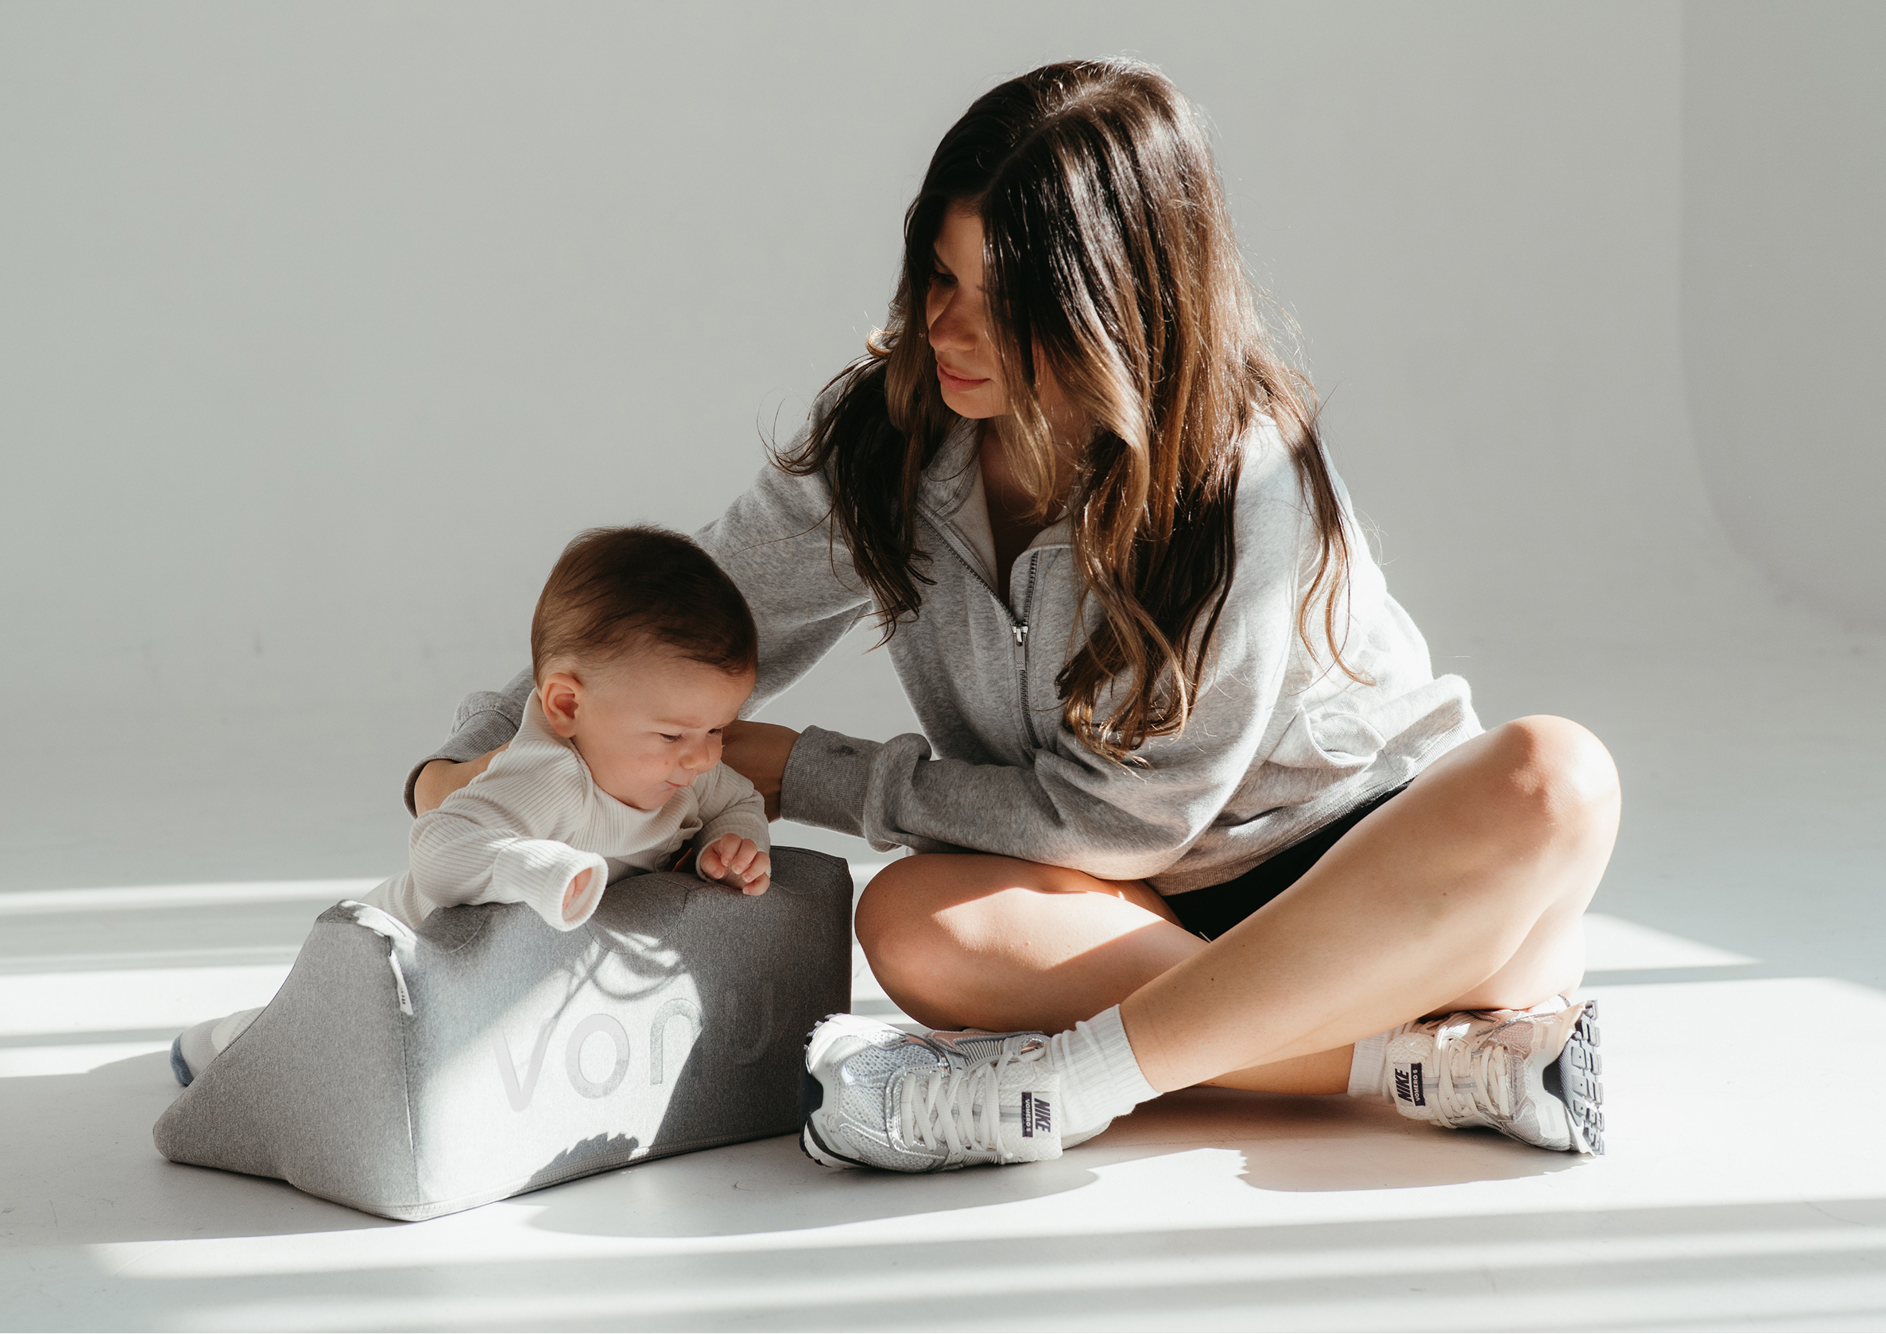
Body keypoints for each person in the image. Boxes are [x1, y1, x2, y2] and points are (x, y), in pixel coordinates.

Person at [413, 60, 1617, 1168]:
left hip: (1377, 878)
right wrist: (484, 760)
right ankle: (1438, 1062)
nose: (944, 327)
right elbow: (670, 624)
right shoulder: (892, 439)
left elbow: (1134, 822)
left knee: (1558, 777)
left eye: (1003, 300)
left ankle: (1073, 1082)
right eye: (939, 275)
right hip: (1143, 919)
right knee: (911, 922)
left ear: (1114, 308)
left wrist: (814, 773)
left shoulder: (1238, 474)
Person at [171, 525, 771, 1085]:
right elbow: (437, 847)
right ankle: (228, 1044)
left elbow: (739, 798)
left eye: (718, 729)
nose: (702, 758)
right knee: (308, 1039)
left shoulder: (685, 774)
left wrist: (734, 841)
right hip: (399, 943)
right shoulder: (548, 778)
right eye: (672, 736)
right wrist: (540, 868)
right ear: (566, 706)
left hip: (483, 974)